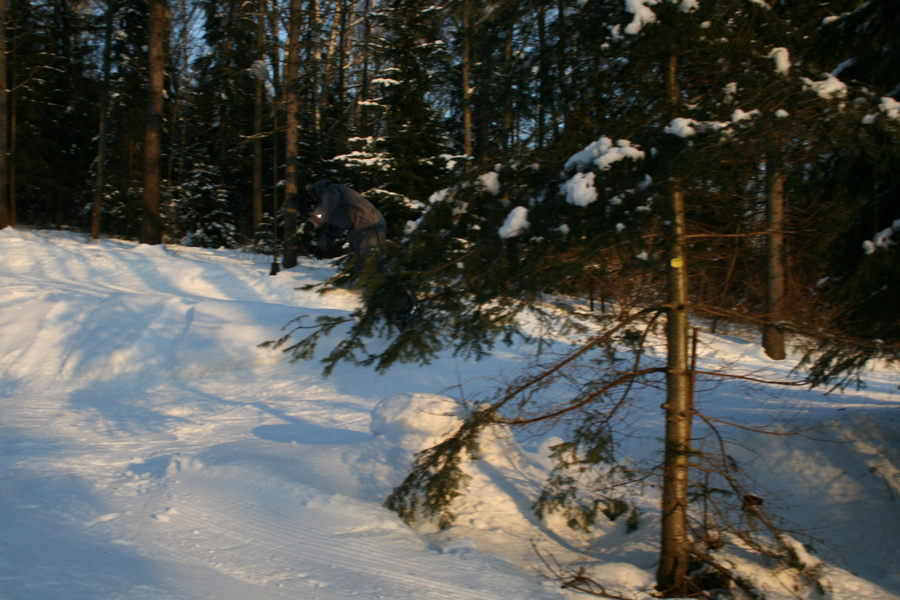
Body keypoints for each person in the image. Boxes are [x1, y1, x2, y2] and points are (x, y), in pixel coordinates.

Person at [306, 178, 386, 269]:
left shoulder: (329, 191)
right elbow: (332, 229)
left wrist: (313, 222)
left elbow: (325, 208)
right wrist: (322, 247)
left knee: (370, 265)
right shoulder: (332, 205)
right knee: (365, 266)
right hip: (362, 228)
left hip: (369, 226)